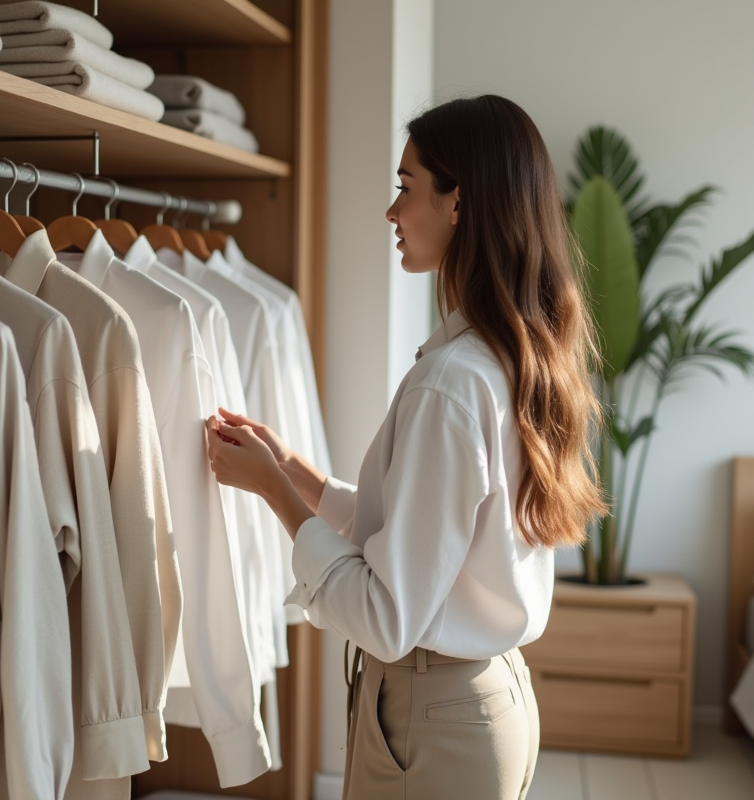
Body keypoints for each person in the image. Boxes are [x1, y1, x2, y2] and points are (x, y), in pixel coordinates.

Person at [204, 95, 606, 800]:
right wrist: (301, 477)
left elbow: (389, 617)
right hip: (482, 698)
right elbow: (440, 544)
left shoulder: (450, 384)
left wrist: (274, 493)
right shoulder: (505, 360)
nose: (391, 212)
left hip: (437, 718)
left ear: (459, 204)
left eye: (405, 187)